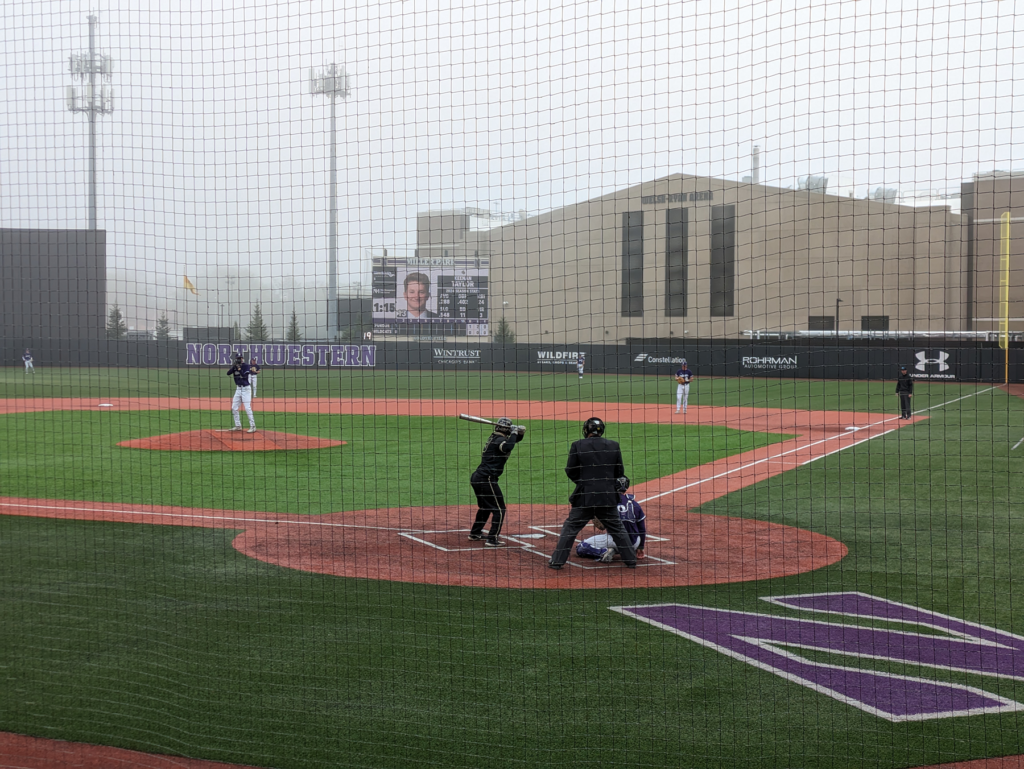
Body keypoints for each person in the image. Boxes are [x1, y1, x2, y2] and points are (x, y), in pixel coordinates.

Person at [548, 417, 638, 570]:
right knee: (618, 529)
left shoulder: (578, 445)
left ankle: (557, 562)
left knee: (570, 529)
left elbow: (571, 470)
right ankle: (631, 560)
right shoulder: (613, 445)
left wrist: (584, 483)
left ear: (586, 430)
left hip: (585, 497)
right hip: (608, 496)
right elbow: (619, 472)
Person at [468, 417, 526, 547]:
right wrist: (515, 432)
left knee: (486, 507)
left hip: (478, 477)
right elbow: (507, 446)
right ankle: (492, 539)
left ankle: (475, 533)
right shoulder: (500, 441)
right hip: (486, 479)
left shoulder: (495, 437)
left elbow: (513, 441)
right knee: (499, 509)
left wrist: (520, 433)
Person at [575, 480, 647, 563]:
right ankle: (625, 550)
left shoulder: (607, 501)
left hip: (616, 540)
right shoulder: (634, 503)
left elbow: (601, 526)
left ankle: (603, 552)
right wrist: (640, 547)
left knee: (581, 547)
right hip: (634, 543)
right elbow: (642, 528)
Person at [227, 354, 257, 433]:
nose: (239, 359)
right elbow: (228, 373)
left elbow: (244, 376)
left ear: (243, 358)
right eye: (238, 358)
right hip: (238, 389)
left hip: (246, 389)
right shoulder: (235, 366)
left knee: (247, 408)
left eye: (240, 358)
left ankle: (253, 426)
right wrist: (234, 367)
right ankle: (238, 426)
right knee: (234, 407)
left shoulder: (246, 366)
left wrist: (239, 369)